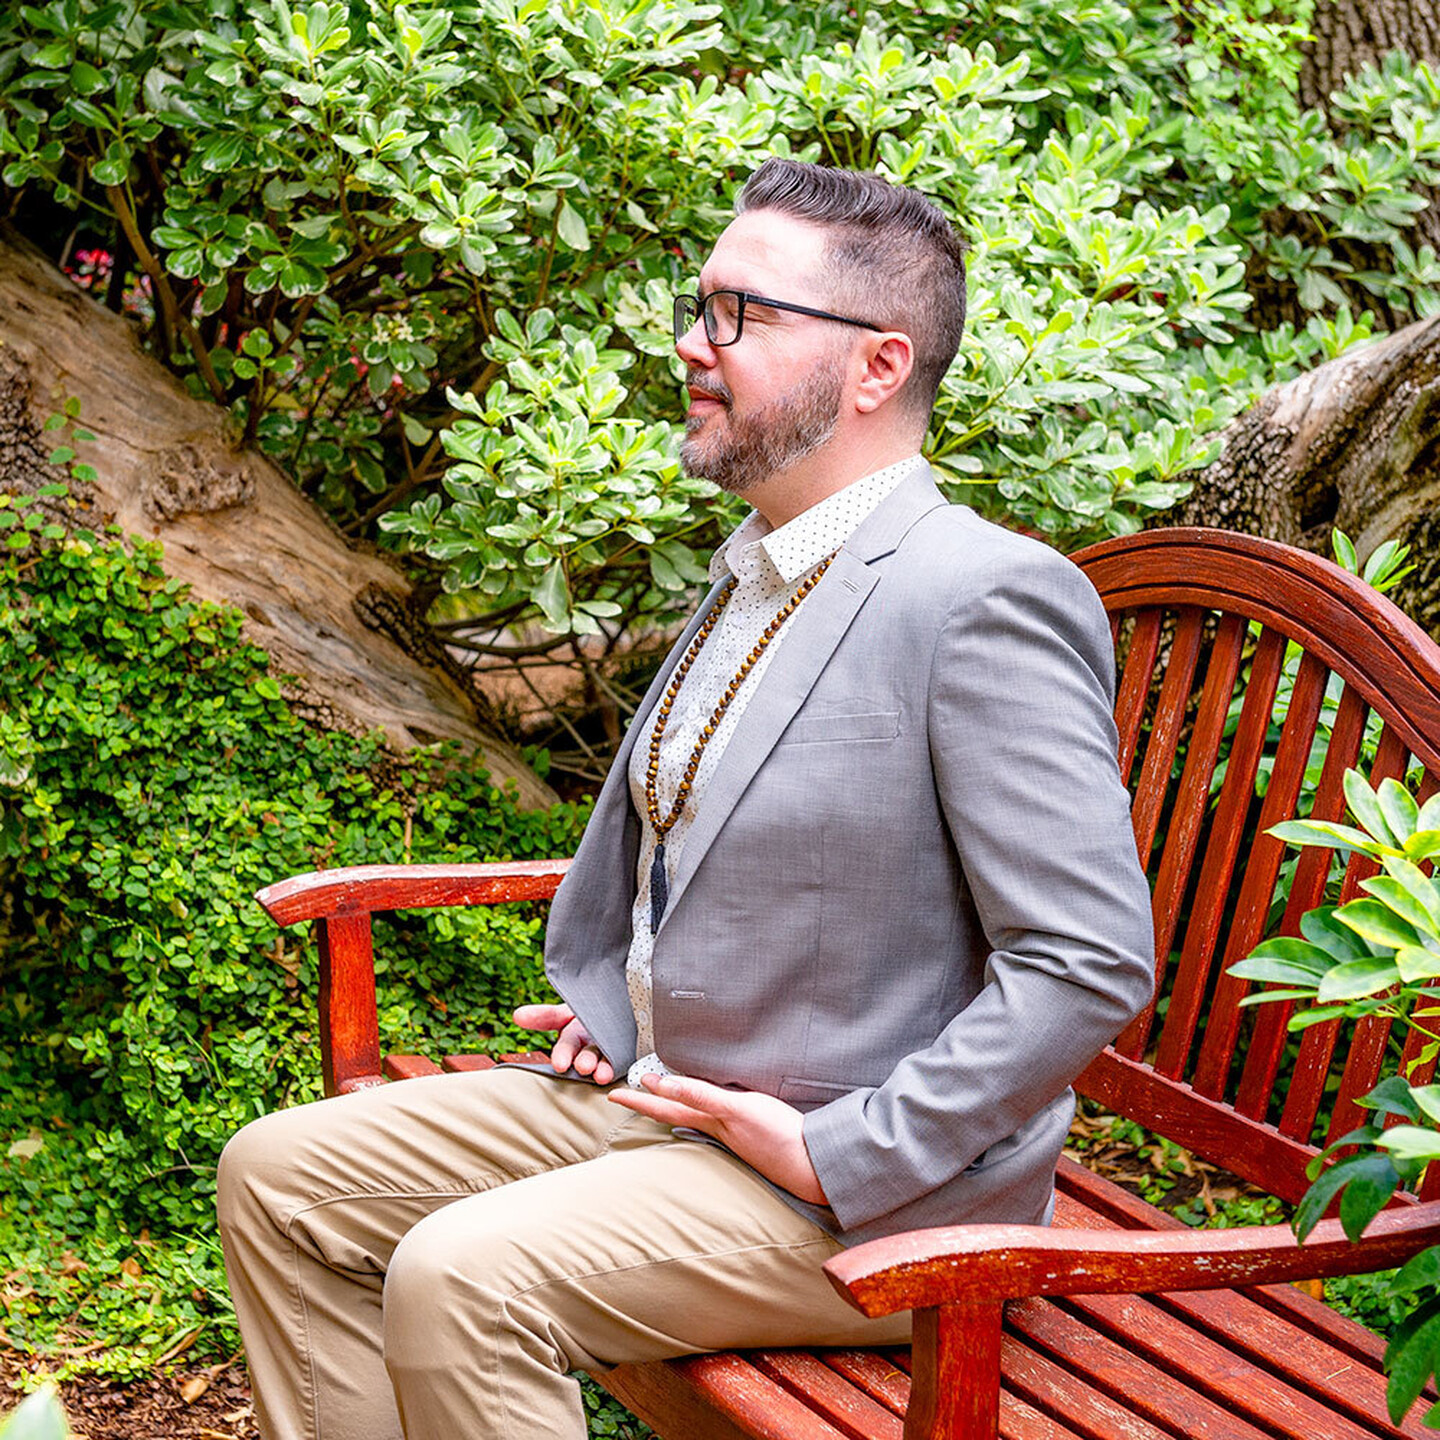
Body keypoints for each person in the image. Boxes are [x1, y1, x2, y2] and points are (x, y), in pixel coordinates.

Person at [217, 157, 1155, 1440]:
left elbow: (1086, 960)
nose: (691, 343)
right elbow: (736, 853)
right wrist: (627, 1005)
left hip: (877, 1196)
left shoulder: (980, 597)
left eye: (740, 315)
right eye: (700, 304)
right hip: (678, 1102)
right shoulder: (763, 566)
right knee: (278, 1177)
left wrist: (843, 1150)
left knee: (465, 1277)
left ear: (877, 367)